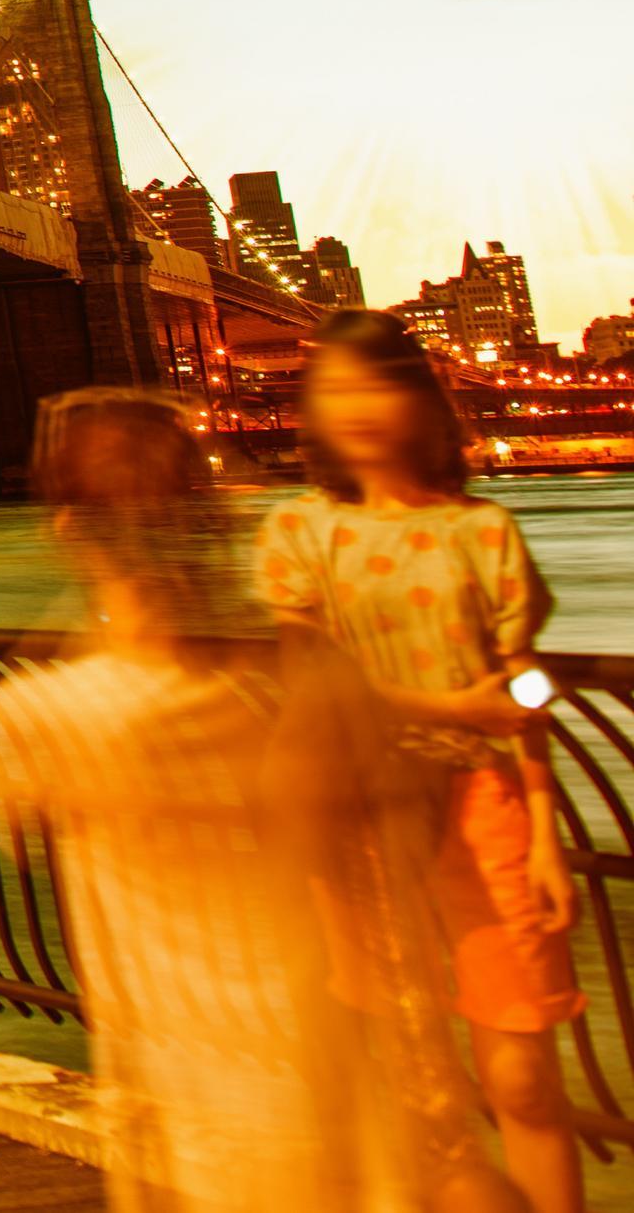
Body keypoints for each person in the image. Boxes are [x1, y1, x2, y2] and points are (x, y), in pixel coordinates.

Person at [0, 389, 431, 1213]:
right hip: (328, 1058)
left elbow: (19, 822)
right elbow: (394, 842)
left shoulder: (44, 714)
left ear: (66, 528)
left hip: (178, 1076)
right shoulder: (304, 675)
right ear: (206, 507)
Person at [262, 312, 598, 1213]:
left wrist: (544, 834)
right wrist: (455, 704)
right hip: (361, 816)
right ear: (315, 412)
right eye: (338, 389)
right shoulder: (298, 534)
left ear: (422, 399)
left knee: (523, 1072)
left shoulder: (483, 532)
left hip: (488, 804)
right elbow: (318, 686)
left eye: (381, 383)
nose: (360, 407)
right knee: (421, 1081)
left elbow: (519, 684)